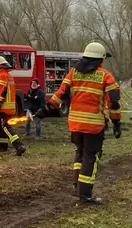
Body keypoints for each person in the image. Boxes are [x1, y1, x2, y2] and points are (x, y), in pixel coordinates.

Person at [35, 42, 121, 204]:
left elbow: (60, 94)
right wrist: (116, 123)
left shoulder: (73, 73)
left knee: (80, 153)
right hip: (94, 125)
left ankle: (77, 187)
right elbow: (114, 102)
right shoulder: (105, 76)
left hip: (75, 124)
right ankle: (85, 194)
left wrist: (45, 110)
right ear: (100, 60)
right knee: (90, 156)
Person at [0, 56, 26, 156]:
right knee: (1, 126)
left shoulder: (2, 76)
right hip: (8, 106)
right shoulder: (8, 75)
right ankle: (2, 145)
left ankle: (19, 146)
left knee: (5, 126)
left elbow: (2, 91)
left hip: (4, 107)